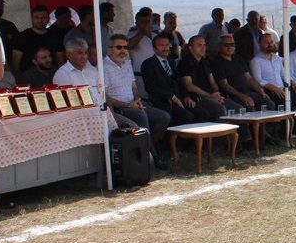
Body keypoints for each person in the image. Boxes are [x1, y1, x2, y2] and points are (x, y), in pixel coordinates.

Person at [102, 34, 172, 169]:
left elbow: (134, 87)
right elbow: (105, 97)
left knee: (163, 117)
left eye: (125, 47)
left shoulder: (127, 64)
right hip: (119, 108)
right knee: (142, 117)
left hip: (133, 104)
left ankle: (145, 150)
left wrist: (137, 100)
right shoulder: (104, 68)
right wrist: (129, 105)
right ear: (109, 50)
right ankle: (153, 160)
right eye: (118, 47)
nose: (123, 50)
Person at [251, 32, 296, 138]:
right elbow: (258, 79)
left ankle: (295, 128)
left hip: (283, 89)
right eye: (266, 42)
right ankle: (283, 132)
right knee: (286, 103)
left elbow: (284, 74)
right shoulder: (256, 61)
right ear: (259, 44)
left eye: (271, 42)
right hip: (269, 91)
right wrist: (274, 88)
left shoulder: (277, 59)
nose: (269, 44)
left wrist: (293, 82)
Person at [141, 33, 209, 126]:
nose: (165, 48)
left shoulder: (171, 61)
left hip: (179, 98)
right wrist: (172, 96)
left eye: (167, 45)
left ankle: (199, 140)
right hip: (164, 101)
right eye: (161, 45)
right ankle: (180, 140)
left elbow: (179, 81)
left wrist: (186, 96)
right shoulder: (148, 64)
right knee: (187, 116)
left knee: (203, 114)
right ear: (154, 48)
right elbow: (151, 87)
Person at [178, 35, 238, 120]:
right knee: (220, 109)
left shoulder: (205, 61)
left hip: (211, 95)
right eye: (199, 45)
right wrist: (209, 96)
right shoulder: (185, 63)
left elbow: (212, 82)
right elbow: (189, 86)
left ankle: (236, 133)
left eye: (204, 45)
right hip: (198, 97)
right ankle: (220, 133)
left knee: (237, 108)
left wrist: (217, 95)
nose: (203, 48)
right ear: (191, 48)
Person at [211, 34, 274, 113]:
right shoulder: (217, 62)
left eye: (232, 44)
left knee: (269, 104)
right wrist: (241, 96)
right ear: (220, 46)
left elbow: (249, 78)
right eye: (226, 45)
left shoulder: (238, 58)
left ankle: (267, 125)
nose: (230, 47)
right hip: (233, 95)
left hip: (248, 92)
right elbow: (224, 85)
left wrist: (260, 90)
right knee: (250, 108)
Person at [11, 5, 63, 79]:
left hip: (52, 77)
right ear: (32, 19)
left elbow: (60, 61)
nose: (40, 20)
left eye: (43, 17)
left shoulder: (55, 36)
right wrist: (19, 82)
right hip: (29, 79)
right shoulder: (22, 37)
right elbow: (15, 63)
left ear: (48, 19)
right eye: (37, 17)